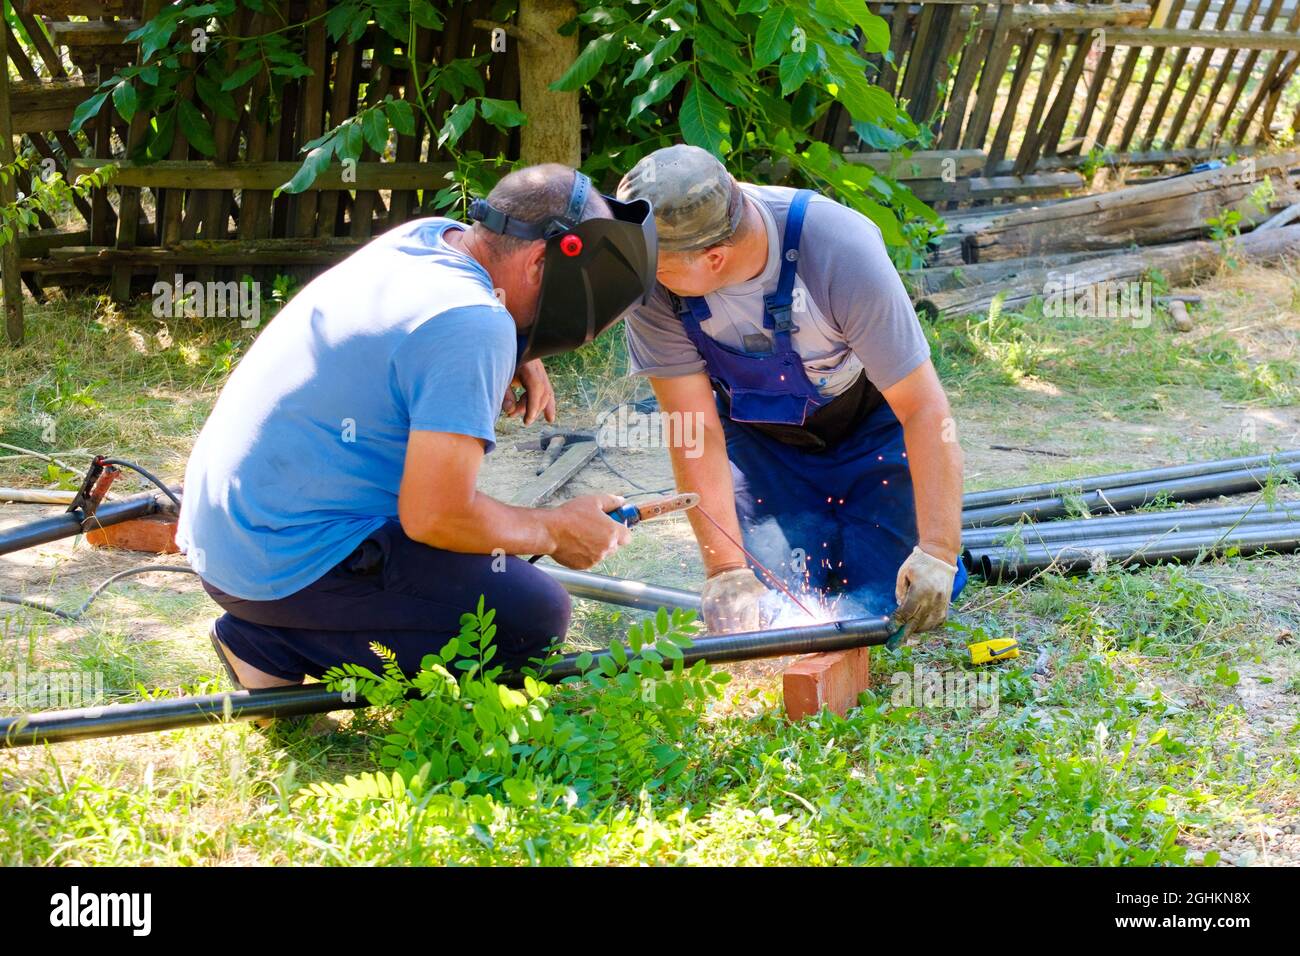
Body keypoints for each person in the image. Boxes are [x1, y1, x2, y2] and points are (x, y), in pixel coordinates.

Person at [177, 163, 657, 688]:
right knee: (528, 615)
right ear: (541, 260)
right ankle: (269, 644)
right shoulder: (472, 322)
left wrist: (516, 347)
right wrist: (557, 529)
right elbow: (436, 517)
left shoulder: (427, 238)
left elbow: (427, 328)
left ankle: (280, 631)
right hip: (281, 569)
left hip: (230, 538)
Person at [615, 145, 966, 636]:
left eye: (656, 268)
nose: (640, 279)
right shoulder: (652, 287)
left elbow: (924, 409)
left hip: (871, 434)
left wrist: (939, 552)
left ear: (713, 256)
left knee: (885, 600)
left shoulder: (840, 251)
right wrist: (725, 571)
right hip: (760, 447)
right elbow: (694, 428)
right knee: (775, 605)